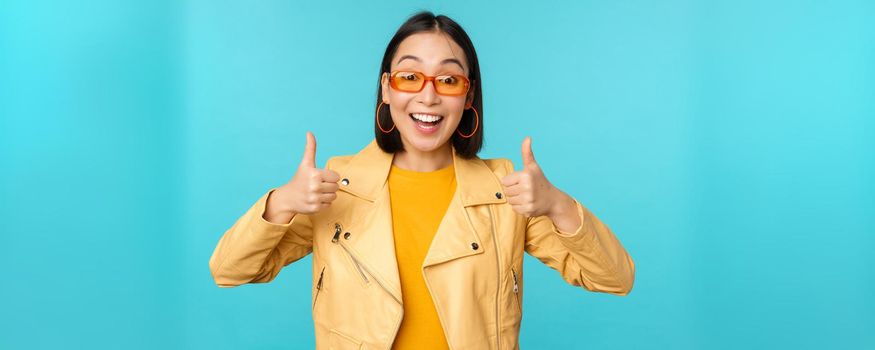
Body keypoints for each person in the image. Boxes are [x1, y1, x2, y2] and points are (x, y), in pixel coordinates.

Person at [209, 11, 635, 350]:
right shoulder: (337, 184)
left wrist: (558, 205)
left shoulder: (506, 189)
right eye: (409, 77)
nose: (428, 96)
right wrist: (282, 202)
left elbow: (615, 279)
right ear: (387, 90)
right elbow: (228, 270)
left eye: (448, 80)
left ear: (468, 97)